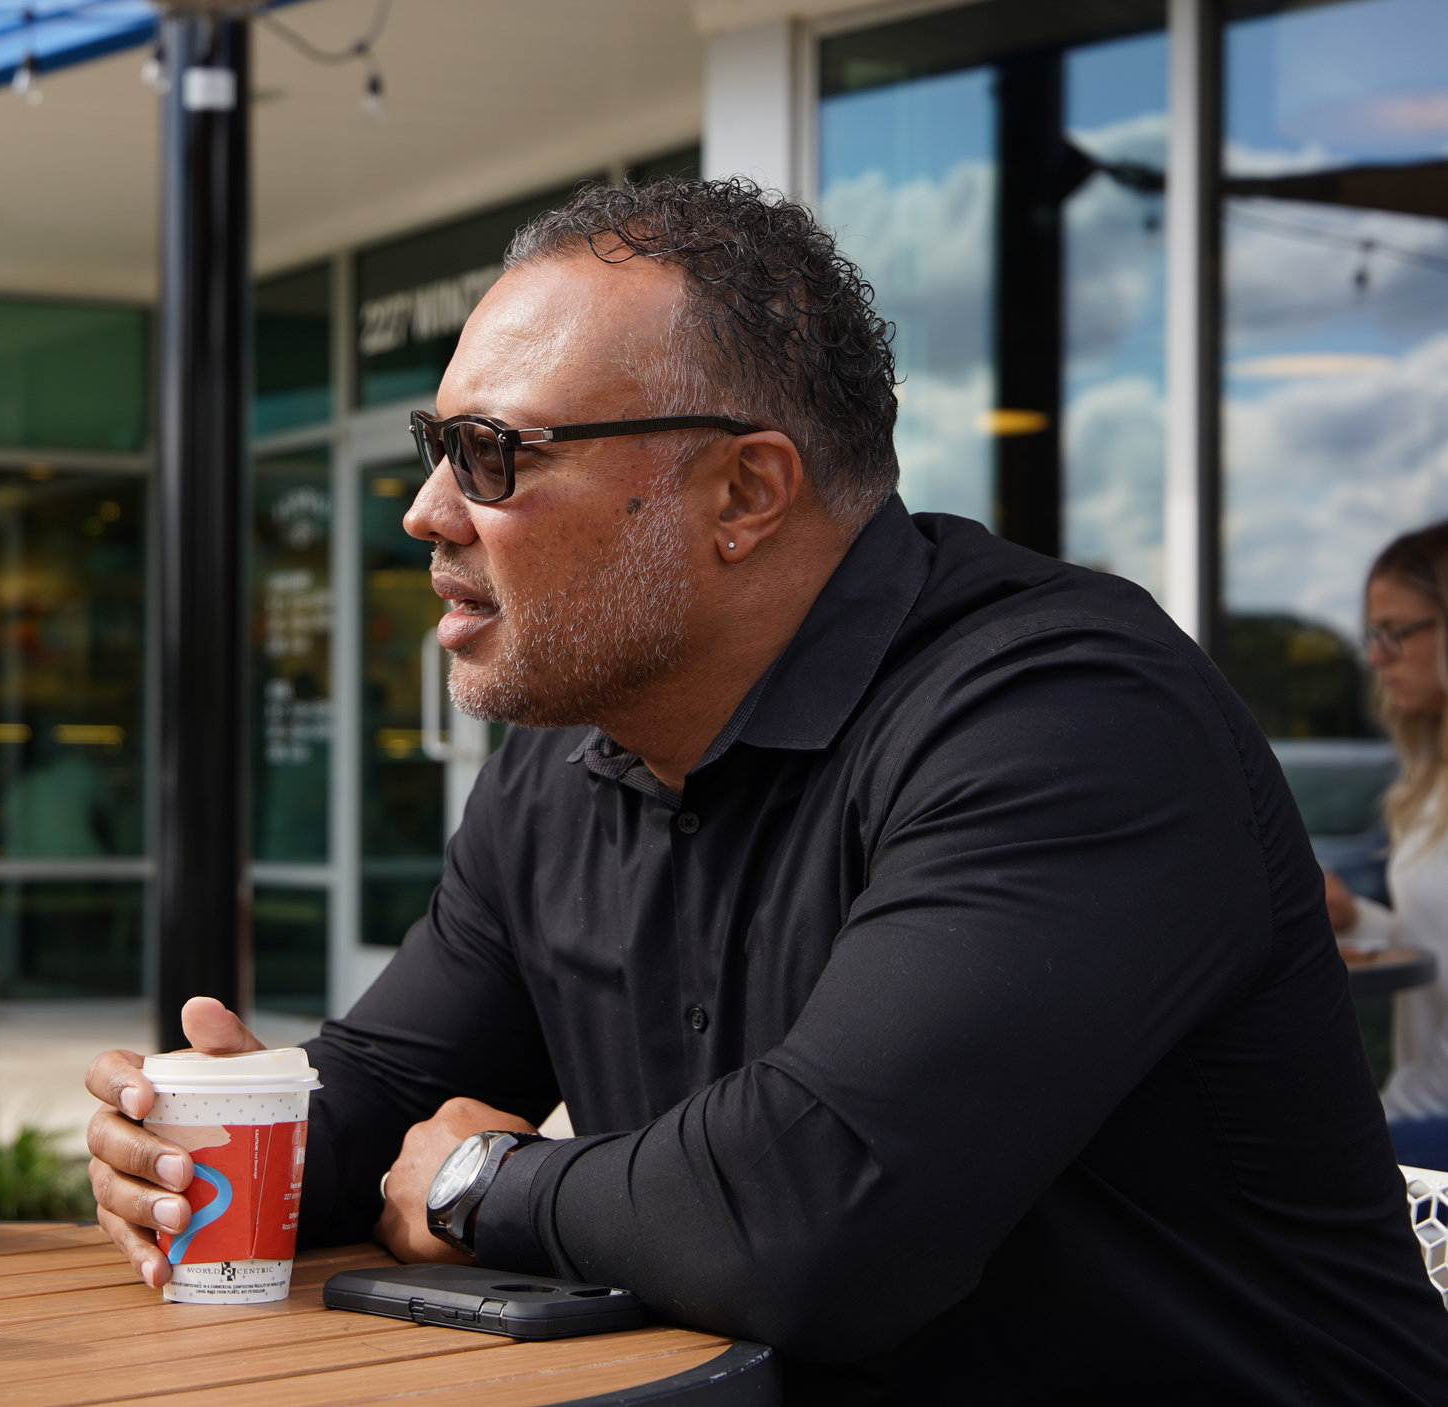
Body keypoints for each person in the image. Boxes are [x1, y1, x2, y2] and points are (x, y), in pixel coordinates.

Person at [85, 179, 1448, 1401]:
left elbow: (819, 1216)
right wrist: (199, 1144)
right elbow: (387, 1089)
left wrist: (475, 1178)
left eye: (494, 454)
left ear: (744, 490)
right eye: (432, 446)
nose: (428, 511)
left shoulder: (1067, 716)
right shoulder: (565, 762)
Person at [1330, 523, 1448, 1170]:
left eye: (1396, 632)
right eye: (1373, 635)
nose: (1377, 658)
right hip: (1418, 1110)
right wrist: (1357, 919)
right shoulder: (1430, 787)